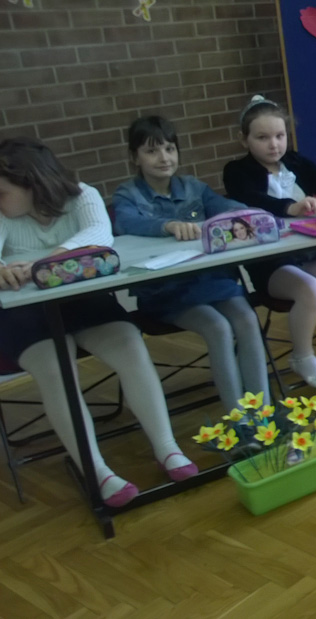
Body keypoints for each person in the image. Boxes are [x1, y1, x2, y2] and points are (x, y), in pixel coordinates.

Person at [0, 137, 197, 507]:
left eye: (3, 192)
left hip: (82, 300)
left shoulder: (81, 196)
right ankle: (96, 470)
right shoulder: (3, 215)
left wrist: (45, 263)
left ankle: (167, 447)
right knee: (56, 369)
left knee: (131, 346)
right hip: (23, 313)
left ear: (31, 183)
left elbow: (98, 238)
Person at [113, 116, 270, 411]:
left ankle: (263, 413)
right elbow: (126, 222)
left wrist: (243, 213)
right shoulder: (127, 195)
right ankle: (239, 419)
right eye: (152, 151)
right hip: (165, 291)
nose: (164, 158)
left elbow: (224, 206)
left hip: (211, 281)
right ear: (134, 157)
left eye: (170, 149)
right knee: (218, 328)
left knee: (248, 319)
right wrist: (167, 225)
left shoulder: (193, 188)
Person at [223, 95, 316, 388]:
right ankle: (302, 355)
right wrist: (290, 207)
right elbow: (251, 199)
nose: (274, 144)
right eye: (262, 137)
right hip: (270, 263)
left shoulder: (295, 162)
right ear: (244, 140)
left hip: (309, 253)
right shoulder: (236, 171)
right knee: (309, 288)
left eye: (280, 136)